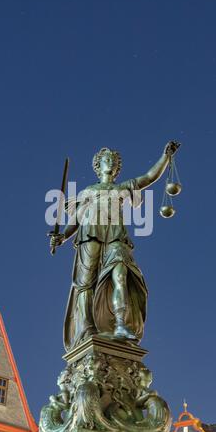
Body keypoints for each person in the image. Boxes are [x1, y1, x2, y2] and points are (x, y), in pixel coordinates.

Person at [50, 141, 180, 351]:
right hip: (90, 235)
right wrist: (63, 237)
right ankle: (86, 326)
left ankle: (120, 324)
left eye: (113, 160)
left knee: (121, 274)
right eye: (105, 159)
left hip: (116, 237)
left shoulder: (121, 188)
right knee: (86, 283)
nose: (109, 162)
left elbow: (148, 177)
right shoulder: (88, 192)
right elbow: (76, 220)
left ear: (117, 168)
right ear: (97, 166)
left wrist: (166, 157)